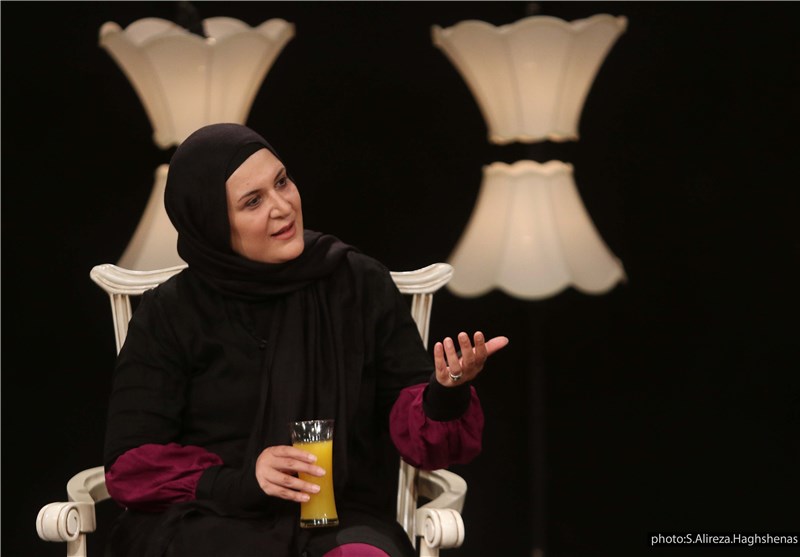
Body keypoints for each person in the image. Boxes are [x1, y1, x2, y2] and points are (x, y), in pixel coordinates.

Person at [102, 123, 509, 557]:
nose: (283, 207)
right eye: (253, 201)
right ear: (213, 224)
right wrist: (242, 480)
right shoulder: (171, 312)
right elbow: (132, 464)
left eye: (282, 182)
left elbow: (416, 427)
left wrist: (445, 392)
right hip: (210, 518)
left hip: (337, 517)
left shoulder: (356, 283)